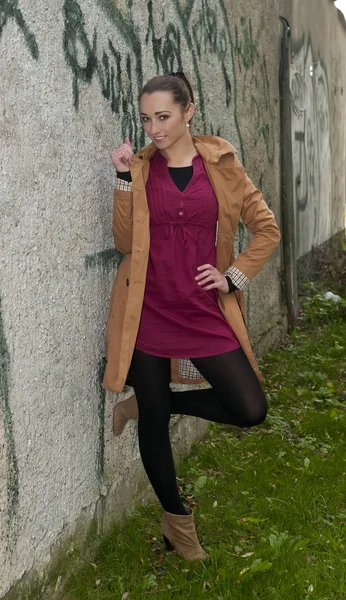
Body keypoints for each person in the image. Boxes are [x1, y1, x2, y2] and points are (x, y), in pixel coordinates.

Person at [102, 73, 281, 561]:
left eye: (163, 117)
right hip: (148, 308)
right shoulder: (138, 169)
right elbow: (125, 242)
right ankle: (177, 523)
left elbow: (266, 230)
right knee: (155, 425)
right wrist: (121, 179)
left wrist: (233, 277)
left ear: (188, 111)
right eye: (146, 118)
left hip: (203, 310)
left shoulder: (221, 165)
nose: (154, 129)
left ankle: (145, 404)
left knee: (249, 408)